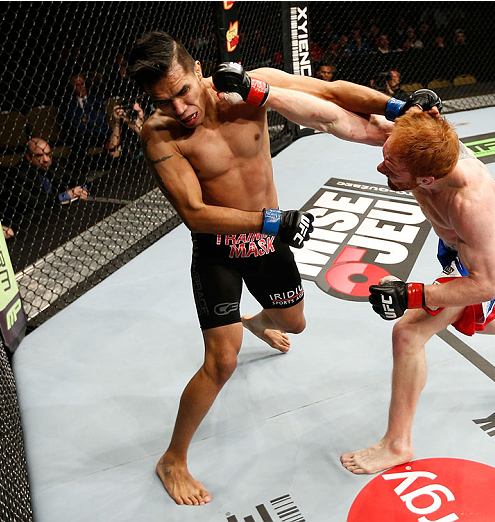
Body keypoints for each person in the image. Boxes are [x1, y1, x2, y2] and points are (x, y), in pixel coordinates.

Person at [216, 73, 495, 476]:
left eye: (392, 167)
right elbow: (333, 119)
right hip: (458, 248)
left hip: (484, 259)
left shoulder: (469, 202)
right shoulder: (415, 150)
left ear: (426, 180)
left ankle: (397, 443)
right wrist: (260, 93)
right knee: (487, 322)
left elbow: (484, 282)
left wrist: (414, 295)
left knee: (409, 332)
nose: (380, 165)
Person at [126, 31, 394, 506]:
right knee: (222, 361)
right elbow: (195, 212)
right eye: (163, 101)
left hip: (269, 241)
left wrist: (396, 108)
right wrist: (272, 222)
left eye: (183, 91)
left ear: (196, 71)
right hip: (219, 249)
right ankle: (173, 458)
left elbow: (330, 94)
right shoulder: (158, 134)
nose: (180, 108)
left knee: (296, 323)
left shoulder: (251, 88)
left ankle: (255, 320)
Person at [0, 138, 89, 236]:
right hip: (30, 223)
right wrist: (62, 196)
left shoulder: (53, 164)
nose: (46, 159)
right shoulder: (16, 174)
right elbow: (30, 203)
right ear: (28, 157)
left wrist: (82, 190)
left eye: (48, 154)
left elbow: (79, 177)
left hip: (55, 215)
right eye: (39, 156)